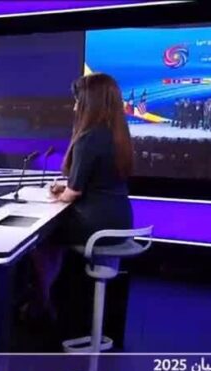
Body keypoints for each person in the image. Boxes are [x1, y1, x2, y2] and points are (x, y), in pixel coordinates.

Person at [29, 73, 134, 318]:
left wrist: (60, 194)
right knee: (52, 237)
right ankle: (47, 299)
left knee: (39, 239)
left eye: (78, 101)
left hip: (96, 226)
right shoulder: (117, 134)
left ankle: (42, 302)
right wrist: (67, 187)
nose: (75, 107)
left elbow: (73, 193)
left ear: (90, 103)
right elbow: (96, 180)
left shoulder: (89, 137)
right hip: (121, 220)